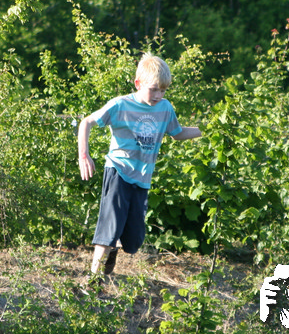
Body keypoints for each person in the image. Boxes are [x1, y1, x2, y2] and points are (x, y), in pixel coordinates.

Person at [77, 53, 202, 288]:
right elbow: (87, 122)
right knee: (109, 227)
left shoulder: (165, 108)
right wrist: (84, 155)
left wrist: (206, 129)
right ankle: (92, 280)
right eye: (153, 89)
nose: (158, 95)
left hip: (142, 178)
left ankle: (114, 247)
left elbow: (177, 133)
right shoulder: (120, 105)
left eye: (163, 90)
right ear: (138, 83)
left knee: (133, 241)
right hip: (118, 171)